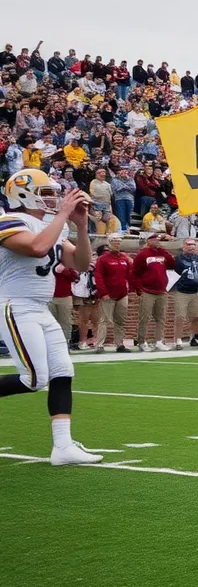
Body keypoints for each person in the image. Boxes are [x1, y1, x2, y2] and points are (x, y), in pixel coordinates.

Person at [0, 170, 103, 464]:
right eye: (44, 192)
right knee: (34, 378)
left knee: (63, 372)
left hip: (40, 308)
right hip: (15, 305)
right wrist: (62, 216)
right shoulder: (9, 220)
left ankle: (63, 446)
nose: (52, 198)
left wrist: (81, 226)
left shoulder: (52, 225)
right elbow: (36, 248)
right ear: (22, 193)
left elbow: (82, 263)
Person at [131, 233, 173, 351]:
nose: (156, 241)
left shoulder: (161, 253)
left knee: (161, 317)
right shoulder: (142, 254)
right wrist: (139, 288)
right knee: (144, 317)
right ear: (148, 241)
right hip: (147, 290)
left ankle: (159, 340)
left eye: (157, 239)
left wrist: (162, 250)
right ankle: (141, 341)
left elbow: (171, 263)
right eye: (154, 239)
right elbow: (135, 272)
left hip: (161, 290)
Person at [93, 234, 132, 353]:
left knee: (120, 320)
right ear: (109, 243)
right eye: (114, 241)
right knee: (105, 319)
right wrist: (103, 292)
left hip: (122, 293)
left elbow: (130, 273)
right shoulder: (103, 259)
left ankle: (119, 344)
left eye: (118, 241)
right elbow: (98, 276)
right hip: (108, 293)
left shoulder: (124, 258)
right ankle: (99, 344)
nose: (116, 244)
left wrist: (132, 288)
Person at [173, 237, 198, 348]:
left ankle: (193, 337)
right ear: (184, 246)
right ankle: (178, 340)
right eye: (188, 244)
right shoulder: (178, 259)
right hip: (182, 291)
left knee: (196, 316)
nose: (191, 247)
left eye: (193, 244)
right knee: (180, 316)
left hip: (195, 291)